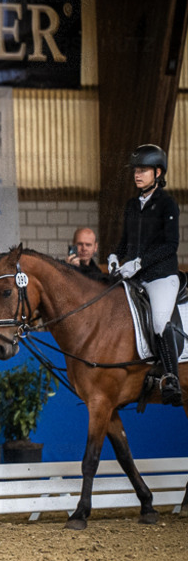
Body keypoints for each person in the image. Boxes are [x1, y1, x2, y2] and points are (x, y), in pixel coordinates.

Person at [108, 144, 182, 406]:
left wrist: (139, 263)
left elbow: (170, 245)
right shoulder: (131, 205)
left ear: (158, 173)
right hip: (136, 277)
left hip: (161, 277)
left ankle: (172, 378)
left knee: (160, 321)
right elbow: (126, 241)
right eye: (135, 170)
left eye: (143, 170)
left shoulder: (167, 204)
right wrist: (115, 256)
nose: (137, 175)